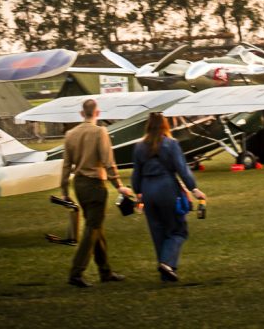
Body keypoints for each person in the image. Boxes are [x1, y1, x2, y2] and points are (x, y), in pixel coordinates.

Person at [61, 99, 133, 288]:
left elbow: (66, 165)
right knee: (92, 228)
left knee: (96, 226)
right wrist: (118, 185)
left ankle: (105, 271)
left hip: (79, 184)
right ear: (98, 113)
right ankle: (76, 272)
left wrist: (64, 191)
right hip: (95, 184)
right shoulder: (100, 132)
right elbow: (108, 161)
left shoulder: (70, 134)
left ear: (81, 114)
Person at [132, 112, 207, 283]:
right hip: (167, 188)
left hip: (148, 190)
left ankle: (165, 271)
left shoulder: (139, 146)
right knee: (178, 229)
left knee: (157, 231)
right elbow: (182, 168)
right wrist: (193, 188)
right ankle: (167, 263)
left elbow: (137, 174)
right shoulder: (171, 144)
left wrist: (138, 192)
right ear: (165, 125)